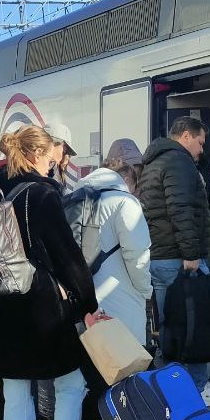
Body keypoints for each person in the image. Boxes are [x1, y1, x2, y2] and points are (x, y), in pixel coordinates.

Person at [0, 125, 98, 420]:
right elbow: (66, 255)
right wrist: (86, 303)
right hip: (38, 306)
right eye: (49, 159)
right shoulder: (41, 195)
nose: (52, 167)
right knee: (71, 385)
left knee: (16, 393)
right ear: (33, 156)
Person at [138, 117, 210, 408]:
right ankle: (196, 386)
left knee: (173, 325)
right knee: (195, 324)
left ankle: (173, 385)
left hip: (162, 256)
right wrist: (191, 255)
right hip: (178, 259)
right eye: (200, 142)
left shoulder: (154, 162)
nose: (201, 150)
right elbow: (180, 209)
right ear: (185, 136)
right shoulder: (178, 162)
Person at [81, 139, 152, 342]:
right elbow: (138, 256)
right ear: (128, 179)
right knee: (125, 363)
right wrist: (146, 290)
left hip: (87, 302)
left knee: (95, 363)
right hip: (121, 300)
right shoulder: (125, 202)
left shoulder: (76, 198)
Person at [43, 121, 79, 191]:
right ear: (53, 144)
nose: (63, 158)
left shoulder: (52, 170)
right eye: (64, 152)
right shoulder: (39, 170)